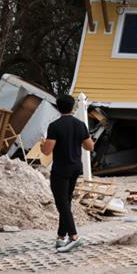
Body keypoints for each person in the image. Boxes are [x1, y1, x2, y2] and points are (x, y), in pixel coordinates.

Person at [41, 94, 94, 253]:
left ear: (58, 107)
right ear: (73, 107)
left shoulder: (54, 126)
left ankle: (74, 237)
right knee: (66, 201)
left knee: (61, 203)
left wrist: (43, 144)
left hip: (61, 169)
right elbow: (90, 147)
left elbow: (47, 151)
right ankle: (60, 236)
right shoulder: (80, 124)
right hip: (75, 168)